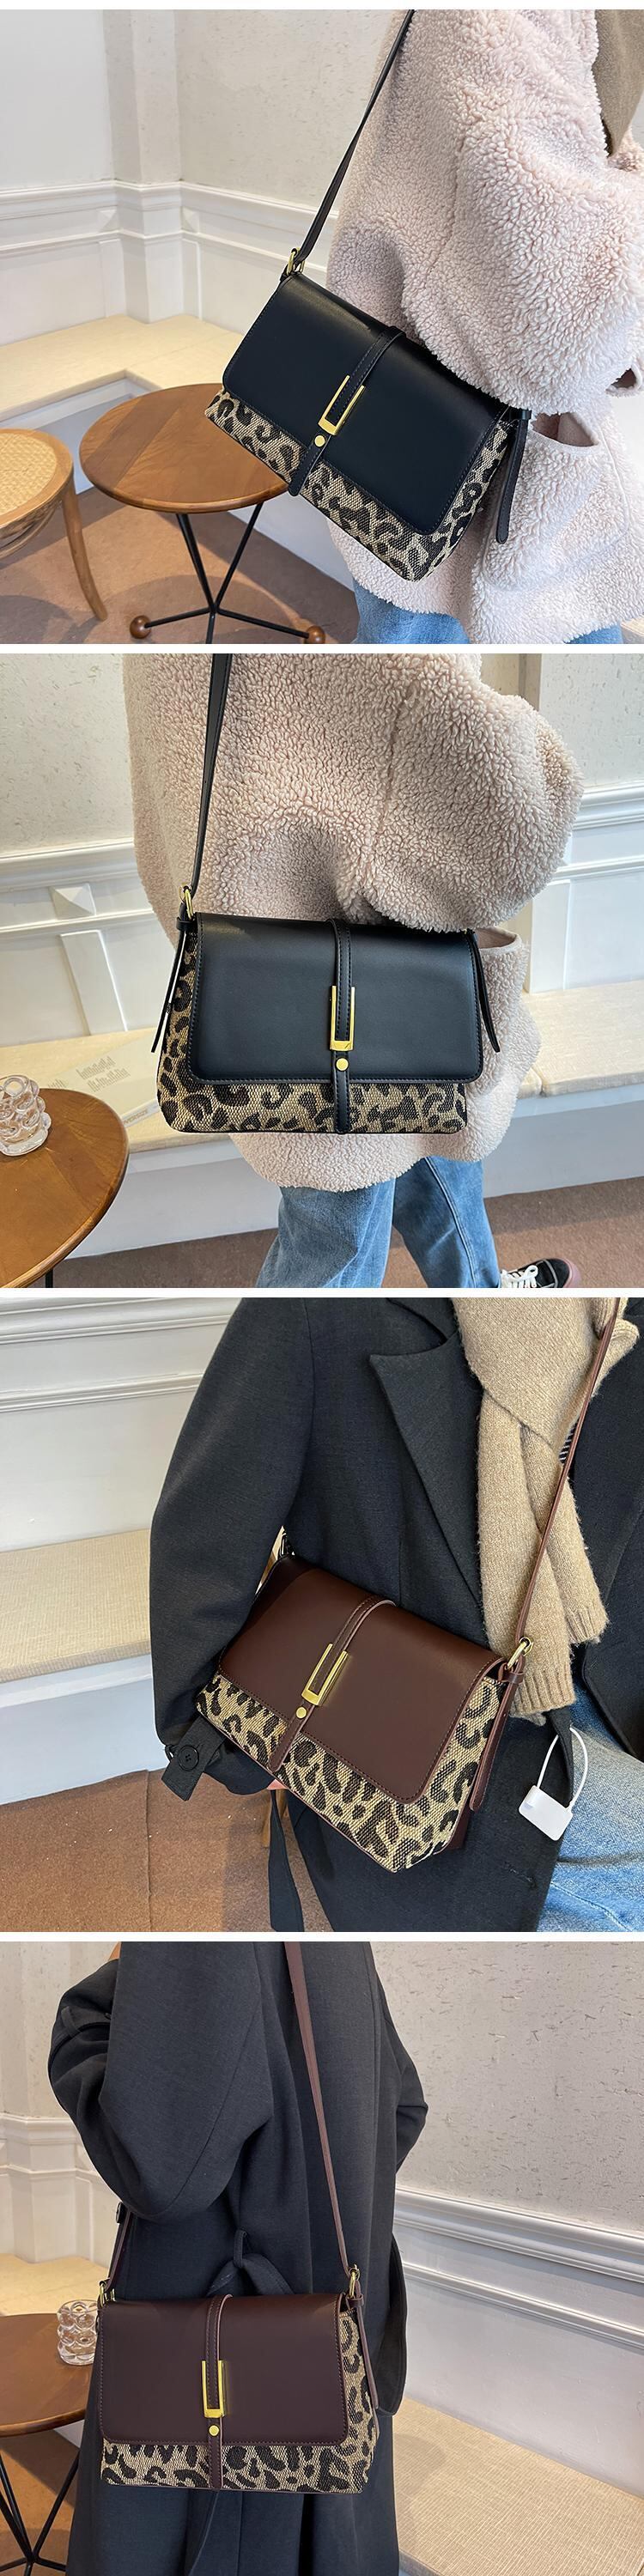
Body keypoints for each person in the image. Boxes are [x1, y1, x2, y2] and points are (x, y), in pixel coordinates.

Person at [150, 1295, 644, 1937]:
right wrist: (242, 1743)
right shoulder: (320, 1314)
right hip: (419, 1741)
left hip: (606, 1673)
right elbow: (205, 1538)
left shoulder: (612, 1313)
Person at [125, 651, 581, 1289]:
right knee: (332, 1250)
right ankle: (299, 1357)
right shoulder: (379, 668)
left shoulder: (164, 655)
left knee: (435, 1155)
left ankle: (481, 1291)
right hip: (348, 1011)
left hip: (265, 979)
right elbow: (518, 827)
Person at [48, 1940, 427, 2576]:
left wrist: (95, 2002)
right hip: (328, 2374)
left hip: (207, 2406)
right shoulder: (344, 1952)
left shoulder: (196, 1943)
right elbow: (404, 2108)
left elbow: (159, 2167)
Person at [325, 10, 644, 645]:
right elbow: (551, 337)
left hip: (432, 421)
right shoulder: (501, 17)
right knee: (422, 647)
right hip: (446, 457)